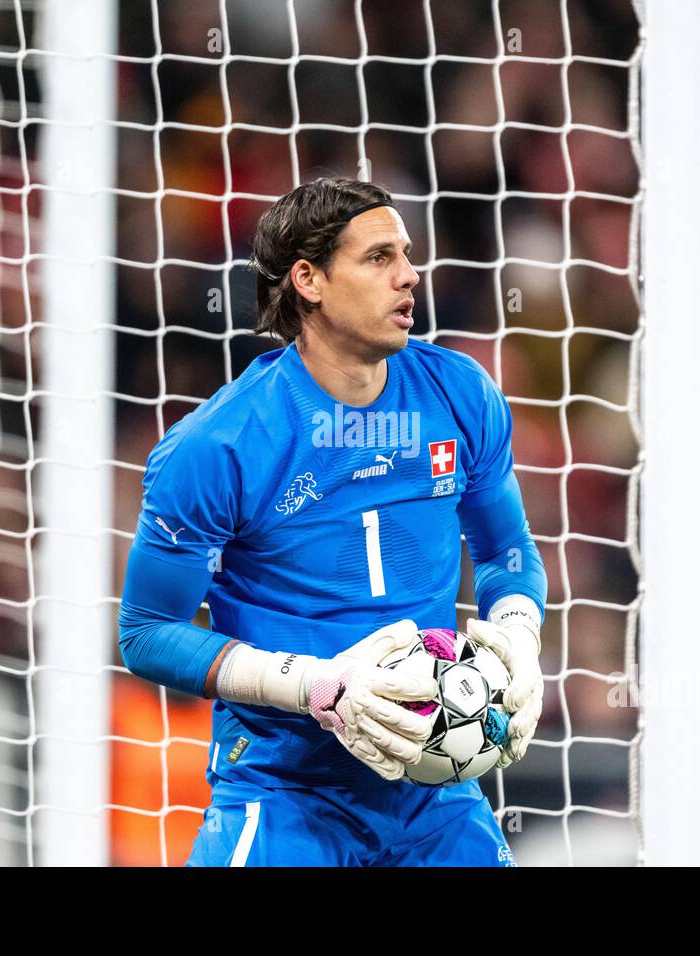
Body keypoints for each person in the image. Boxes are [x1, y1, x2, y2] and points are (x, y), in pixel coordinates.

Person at [118, 176, 546, 866]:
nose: (410, 275)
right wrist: (316, 687)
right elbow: (146, 633)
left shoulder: (461, 394)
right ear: (309, 280)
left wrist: (520, 640)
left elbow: (506, 552)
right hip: (286, 791)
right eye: (379, 258)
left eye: (405, 254)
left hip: (432, 786)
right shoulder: (220, 444)